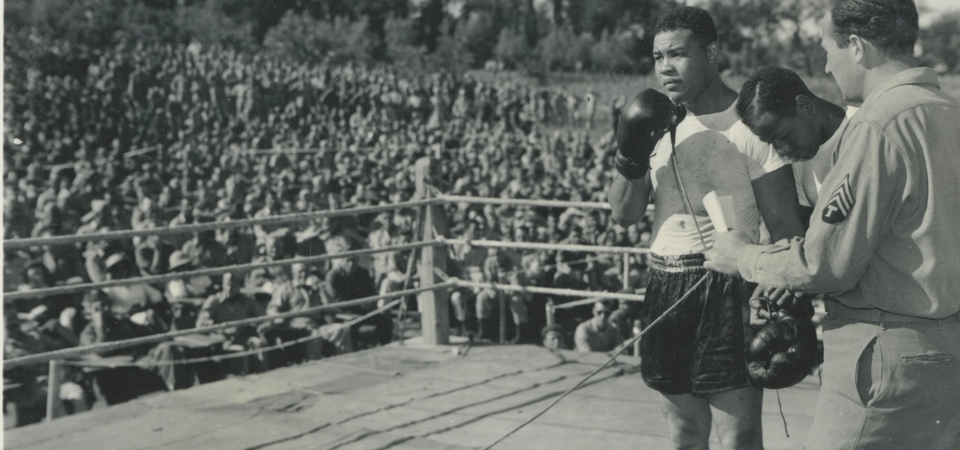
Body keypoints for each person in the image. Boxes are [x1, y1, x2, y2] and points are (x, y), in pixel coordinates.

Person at [704, 1, 960, 448]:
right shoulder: (947, 110)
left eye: (828, 49)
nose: (826, 63)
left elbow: (825, 266)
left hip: (884, 353)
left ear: (857, 47)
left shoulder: (878, 125)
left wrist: (741, 256)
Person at [606, 7, 805, 450]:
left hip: (726, 285)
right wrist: (630, 154)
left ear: (712, 52)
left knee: (737, 437)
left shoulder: (749, 126)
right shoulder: (655, 120)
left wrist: (778, 302)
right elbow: (623, 214)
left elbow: (787, 227)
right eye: (658, 57)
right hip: (664, 281)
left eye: (677, 54)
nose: (664, 68)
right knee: (684, 434)